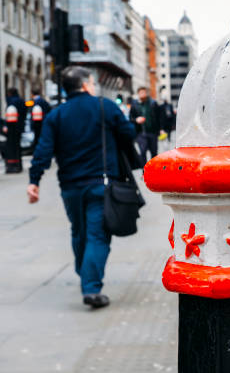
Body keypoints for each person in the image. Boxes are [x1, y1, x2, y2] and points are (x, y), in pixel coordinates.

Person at [27, 66, 136, 308]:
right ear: (86, 84)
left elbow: (43, 151)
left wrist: (34, 181)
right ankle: (91, 287)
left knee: (79, 231)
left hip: (70, 187)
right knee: (97, 235)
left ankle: (86, 274)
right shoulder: (105, 107)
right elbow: (128, 133)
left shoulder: (56, 115)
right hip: (101, 183)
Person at [130, 87, 165, 164]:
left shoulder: (153, 103)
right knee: (142, 152)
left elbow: (159, 117)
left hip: (152, 132)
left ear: (146, 93)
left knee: (154, 152)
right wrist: (136, 120)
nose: (142, 94)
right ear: (138, 94)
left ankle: (154, 170)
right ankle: (144, 172)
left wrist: (161, 129)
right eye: (140, 93)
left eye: (144, 92)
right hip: (140, 133)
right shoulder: (134, 105)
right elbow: (130, 118)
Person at [2, 88, 27, 173]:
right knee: (18, 147)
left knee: (12, 147)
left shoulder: (11, 102)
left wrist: (6, 126)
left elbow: (9, 115)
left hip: (12, 128)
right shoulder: (21, 101)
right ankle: (19, 165)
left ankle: (13, 166)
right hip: (20, 127)